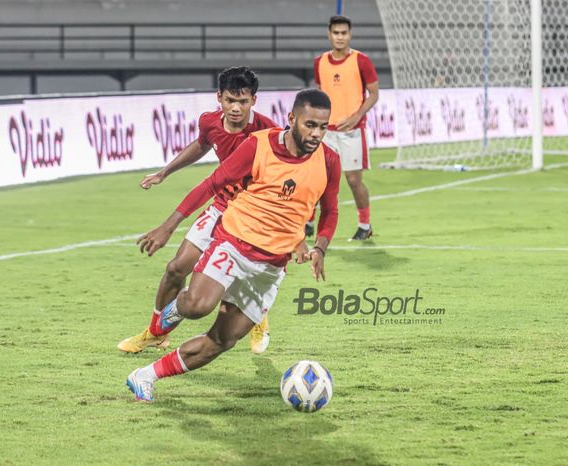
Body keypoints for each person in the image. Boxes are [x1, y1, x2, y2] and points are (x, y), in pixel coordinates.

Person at [126, 89, 341, 402]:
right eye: (310, 125)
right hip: (234, 244)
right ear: (292, 119)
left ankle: (145, 375)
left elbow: (331, 210)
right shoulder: (259, 145)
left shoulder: (329, 162)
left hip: (270, 268)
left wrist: (320, 248)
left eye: (323, 127)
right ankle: (172, 313)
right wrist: (168, 226)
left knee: (223, 340)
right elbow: (213, 183)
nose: (316, 133)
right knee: (198, 306)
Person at [117, 66, 278, 355]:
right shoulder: (209, 121)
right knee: (175, 268)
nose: (236, 108)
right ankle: (156, 334)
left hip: (251, 214)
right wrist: (165, 172)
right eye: (230, 100)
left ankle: (257, 316)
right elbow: (204, 144)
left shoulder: (268, 131)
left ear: (254, 100)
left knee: (238, 277)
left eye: (243, 101)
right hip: (221, 204)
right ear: (219, 97)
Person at [313, 15, 379, 241]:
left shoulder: (361, 61)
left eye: (344, 33)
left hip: (352, 131)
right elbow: (320, 94)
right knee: (316, 178)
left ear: (350, 35)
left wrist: (357, 116)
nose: (340, 37)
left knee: (353, 180)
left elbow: (374, 94)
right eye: (336, 33)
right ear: (329, 34)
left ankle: (365, 224)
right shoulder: (319, 61)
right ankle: (308, 222)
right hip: (326, 132)